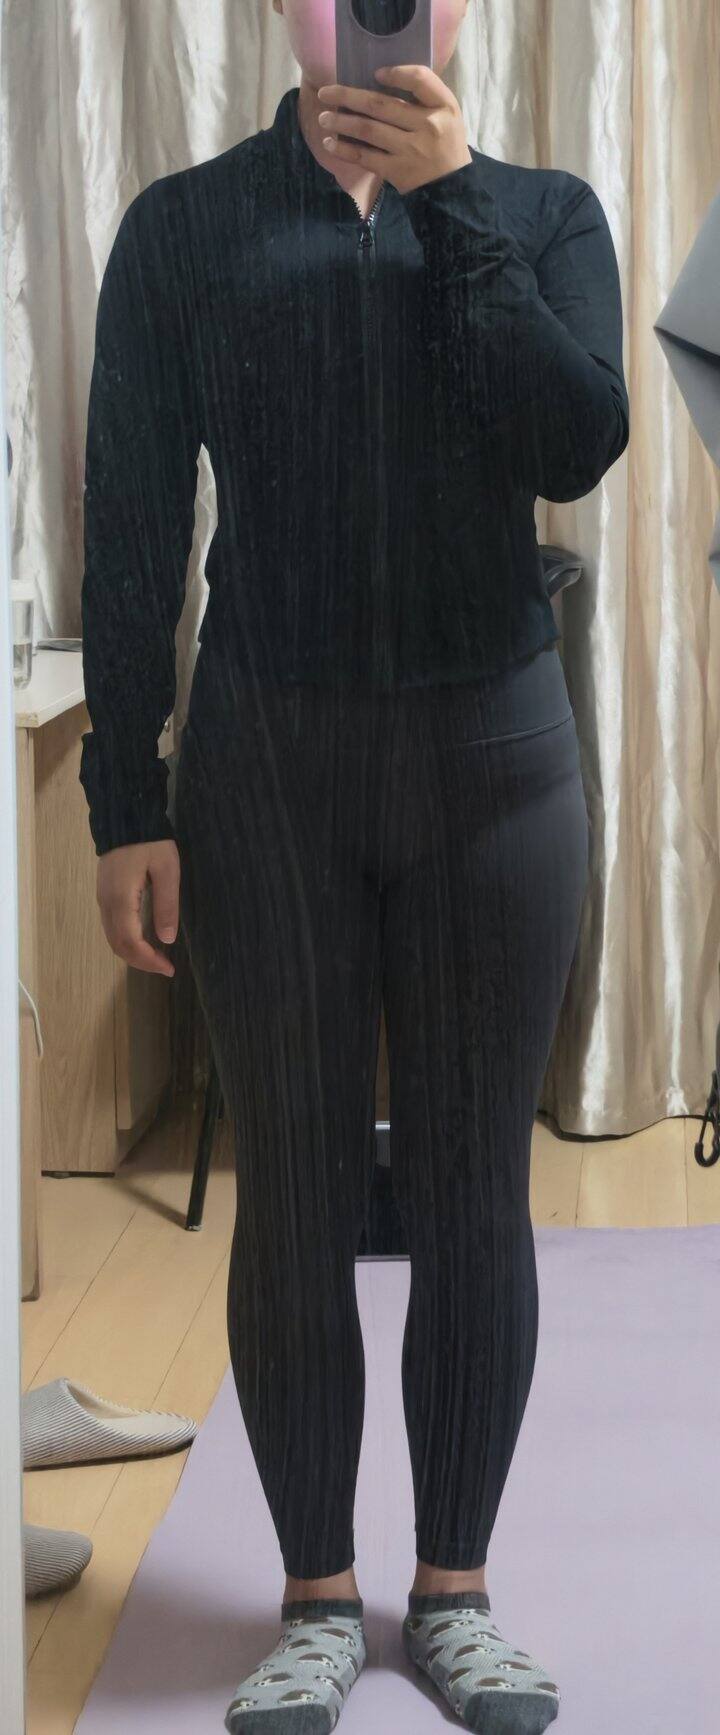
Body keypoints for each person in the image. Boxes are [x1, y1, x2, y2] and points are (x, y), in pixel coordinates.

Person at [78, 2, 629, 1729]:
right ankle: (315, 1596)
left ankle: (454, 1593)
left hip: (496, 767)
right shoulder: (187, 227)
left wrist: (456, 204)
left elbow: (573, 443)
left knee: (473, 1189)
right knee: (296, 1193)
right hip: (269, 771)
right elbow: (131, 520)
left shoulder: (541, 215)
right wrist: (123, 797)